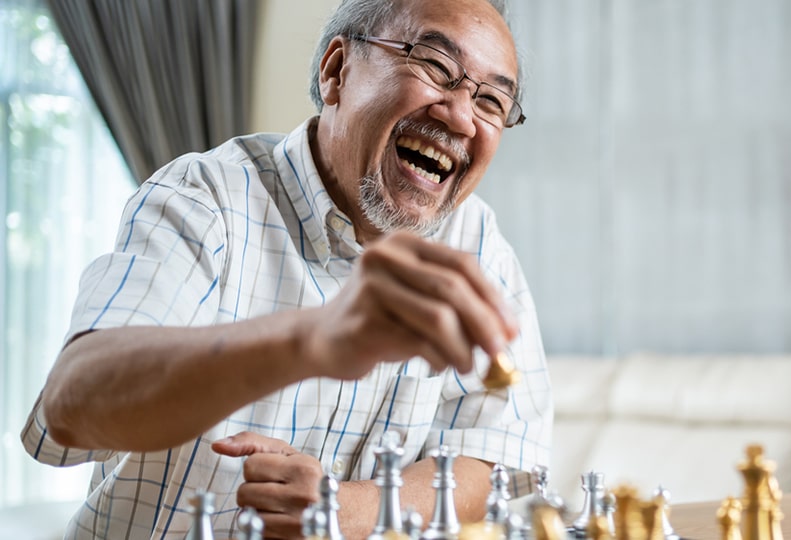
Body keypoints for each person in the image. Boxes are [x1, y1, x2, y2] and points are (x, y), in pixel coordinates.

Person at [20, 0, 552, 537]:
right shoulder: (204, 197)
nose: (461, 116)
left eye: (491, 100)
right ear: (336, 71)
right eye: (435, 66)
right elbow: (72, 402)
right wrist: (311, 338)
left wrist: (352, 508)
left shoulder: (478, 243)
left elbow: (495, 456)